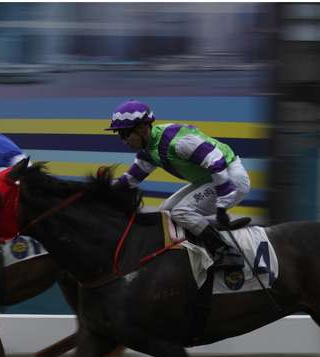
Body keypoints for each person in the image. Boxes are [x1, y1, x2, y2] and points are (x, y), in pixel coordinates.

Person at [106, 99, 251, 271]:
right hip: (210, 179)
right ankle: (202, 238)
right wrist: (97, 192)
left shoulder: (179, 143)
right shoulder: (149, 149)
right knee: (165, 212)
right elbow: (129, 181)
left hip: (231, 178)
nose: (123, 140)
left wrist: (222, 207)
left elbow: (217, 162)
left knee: (181, 212)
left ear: (142, 129)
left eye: (124, 134)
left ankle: (227, 252)